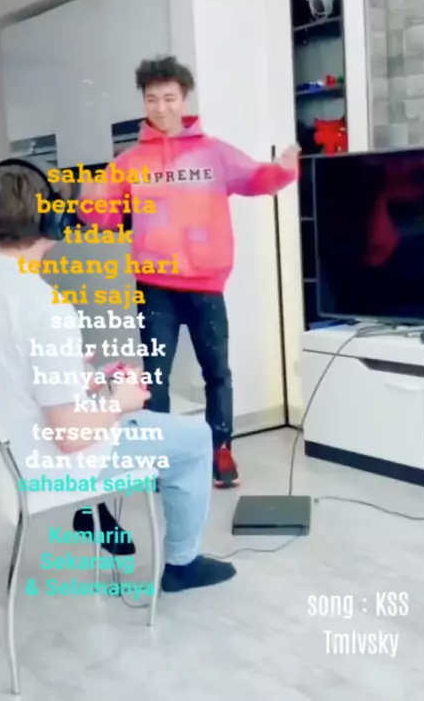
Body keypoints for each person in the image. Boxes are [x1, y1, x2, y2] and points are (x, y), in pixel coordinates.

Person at [0, 159, 235, 592]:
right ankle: (182, 565)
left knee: (128, 416)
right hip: (47, 465)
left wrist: (76, 376)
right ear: (53, 220)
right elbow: (70, 436)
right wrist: (118, 402)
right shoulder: (43, 306)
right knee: (193, 438)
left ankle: (101, 520)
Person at [80, 55, 299, 488]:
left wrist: (285, 169)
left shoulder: (213, 153)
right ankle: (159, 457)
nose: (160, 107)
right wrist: (90, 199)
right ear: (143, 101)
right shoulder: (129, 162)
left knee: (217, 372)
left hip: (205, 285)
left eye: (168, 98)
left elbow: (257, 178)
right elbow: (103, 217)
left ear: (184, 99)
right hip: (154, 287)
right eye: (151, 99)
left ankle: (221, 450)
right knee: (155, 378)